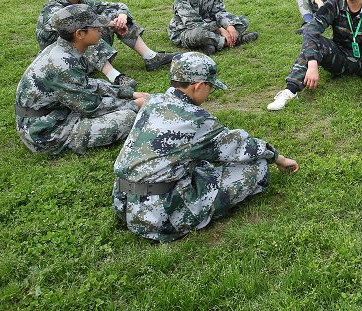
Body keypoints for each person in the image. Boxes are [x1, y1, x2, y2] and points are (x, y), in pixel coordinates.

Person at [113, 52, 299, 242]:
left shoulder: (153, 101)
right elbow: (240, 145)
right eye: (210, 88)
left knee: (199, 162)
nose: (209, 94)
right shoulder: (195, 119)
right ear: (199, 86)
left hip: (124, 202)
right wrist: (278, 158)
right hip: (160, 216)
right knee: (258, 167)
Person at [16, 5, 149, 155]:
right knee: (127, 118)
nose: (101, 29)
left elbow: (87, 84)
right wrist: (134, 104)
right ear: (79, 34)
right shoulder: (63, 64)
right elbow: (91, 106)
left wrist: (128, 93)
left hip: (55, 113)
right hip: (45, 131)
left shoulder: (63, 49)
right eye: (96, 27)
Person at [37, 0, 175, 88]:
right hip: (63, 61)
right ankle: (115, 77)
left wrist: (121, 16)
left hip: (82, 56)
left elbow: (118, 6)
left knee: (113, 14)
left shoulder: (81, 2)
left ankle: (150, 57)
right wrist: (108, 22)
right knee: (84, 33)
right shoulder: (53, 8)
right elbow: (75, 24)